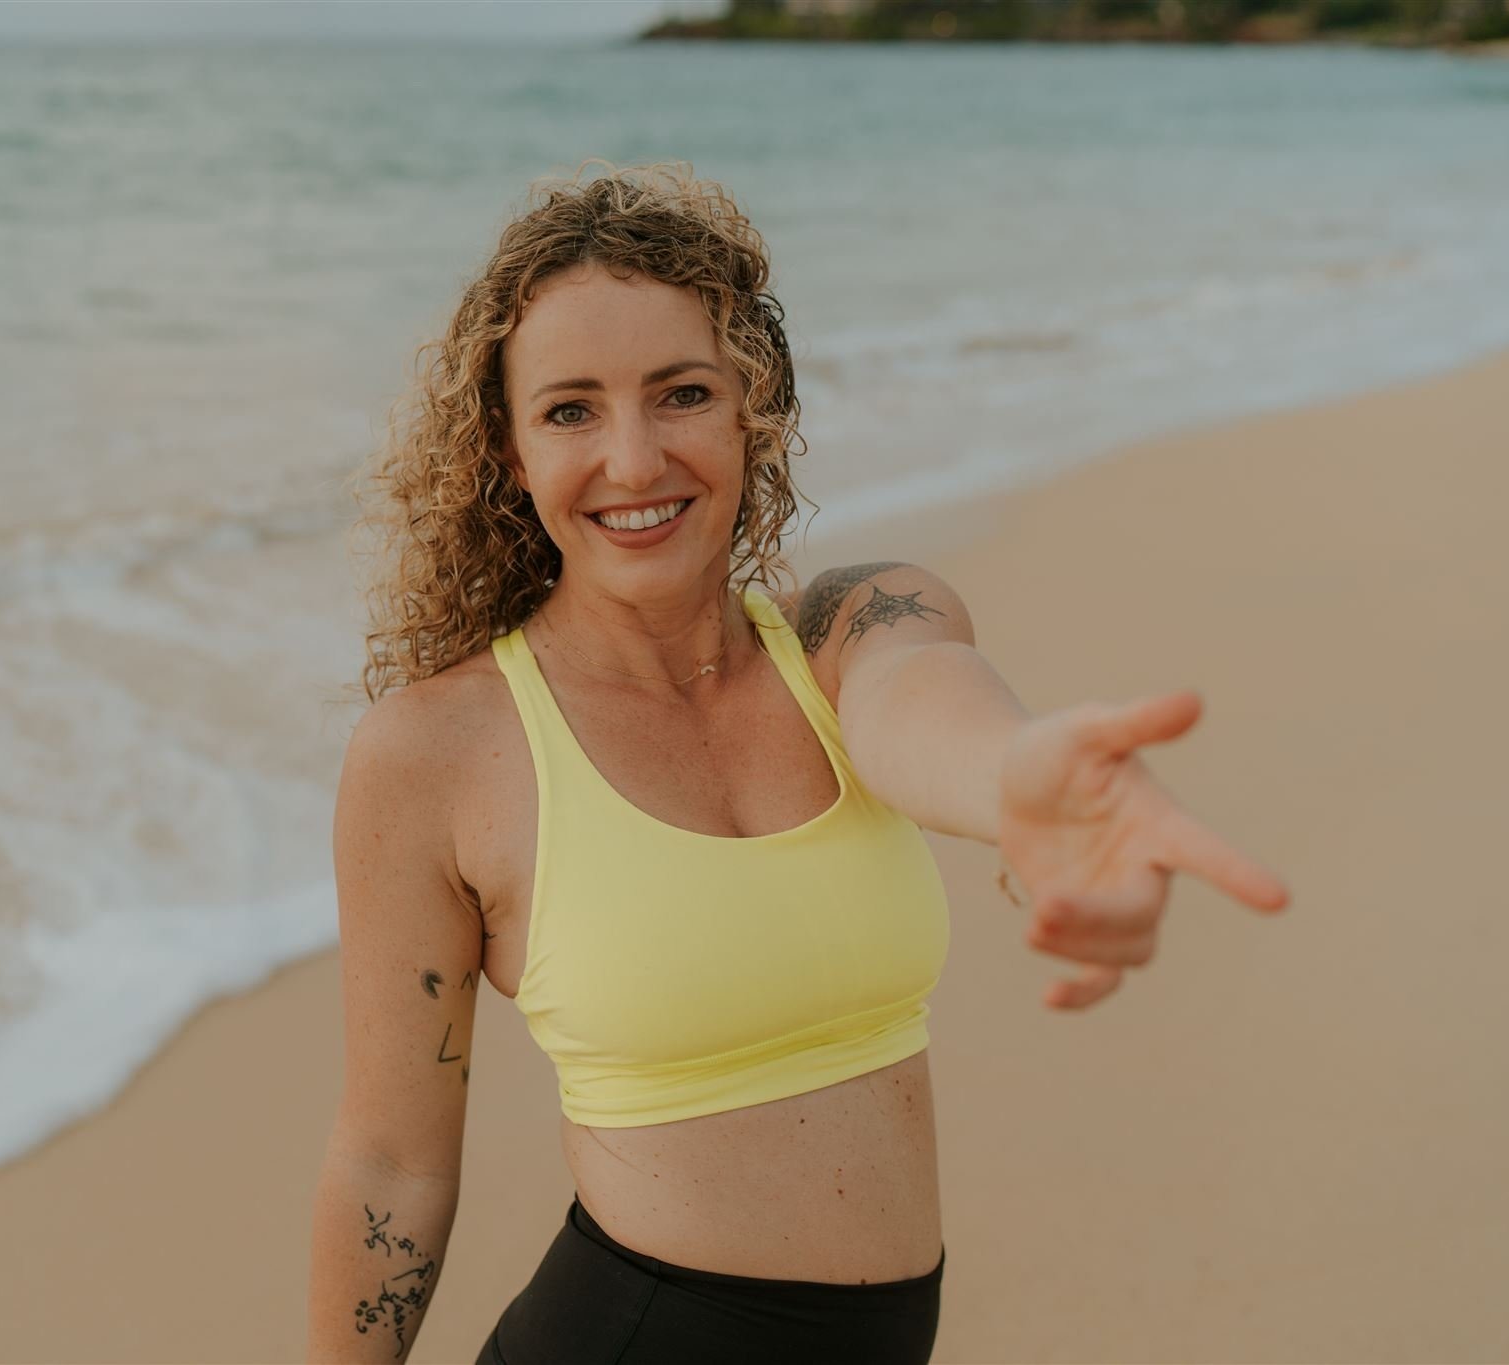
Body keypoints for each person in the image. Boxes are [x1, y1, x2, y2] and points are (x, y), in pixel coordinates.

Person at [305, 161, 1290, 1365]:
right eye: (569, 410)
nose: (631, 459)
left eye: (680, 393)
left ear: (749, 408)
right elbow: (391, 1162)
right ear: (508, 452)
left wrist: (1027, 777)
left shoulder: (847, 630)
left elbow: (928, 712)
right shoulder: (438, 751)